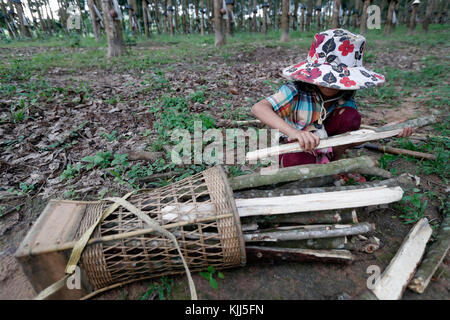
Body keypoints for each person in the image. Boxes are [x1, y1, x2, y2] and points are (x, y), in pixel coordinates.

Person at [252, 29, 412, 168]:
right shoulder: (295, 91)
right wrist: (293, 132)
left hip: (329, 145)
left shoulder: (344, 99)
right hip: (298, 145)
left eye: (336, 80)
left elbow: (351, 138)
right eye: (327, 79)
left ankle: (332, 163)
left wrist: (385, 132)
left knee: (350, 116)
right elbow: (259, 108)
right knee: (296, 160)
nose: (331, 85)